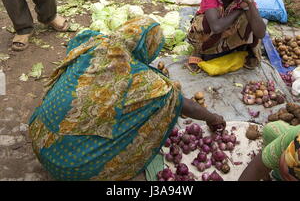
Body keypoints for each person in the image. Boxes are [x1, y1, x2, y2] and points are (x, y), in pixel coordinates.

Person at [28, 16, 226, 181]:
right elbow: (185, 104)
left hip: (39, 136)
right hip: (72, 167)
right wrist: (213, 118)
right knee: (165, 99)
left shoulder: (93, 41)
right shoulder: (142, 79)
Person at [187, 0, 266, 72]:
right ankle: (199, 50)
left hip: (228, 35)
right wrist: (239, 10)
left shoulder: (246, 0)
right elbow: (216, 27)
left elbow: (261, 33)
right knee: (207, 18)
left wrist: (250, 4)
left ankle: (247, 51)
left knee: (251, 16)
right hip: (210, 34)